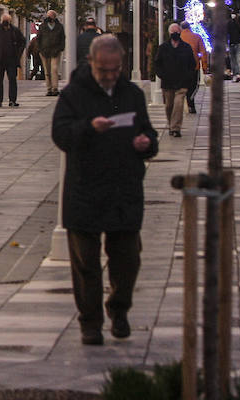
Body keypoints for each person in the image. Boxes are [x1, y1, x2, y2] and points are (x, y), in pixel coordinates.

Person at [52, 34, 158, 346]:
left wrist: (146, 143)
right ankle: (91, 323)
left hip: (124, 189)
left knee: (127, 260)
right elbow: (60, 135)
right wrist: (88, 128)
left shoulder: (132, 94)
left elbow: (147, 132)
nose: (110, 76)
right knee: (85, 264)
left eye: (115, 70)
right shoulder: (73, 94)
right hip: (84, 190)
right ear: (92, 64)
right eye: (103, 70)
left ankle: (119, 309)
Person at [153, 23, 198, 138]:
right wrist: (162, 75)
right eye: (173, 32)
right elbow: (157, 63)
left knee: (178, 104)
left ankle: (175, 128)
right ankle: (171, 124)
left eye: (177, 32)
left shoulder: (186, 47)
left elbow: (192, 64)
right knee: (169, 105)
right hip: (168, 82)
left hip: (182, 82)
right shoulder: (163, 48)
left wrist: (188, 76)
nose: (175, 34)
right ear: (169, 33)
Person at [0, 14, 25, 108]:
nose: (6, 22)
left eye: (7, 20)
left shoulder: (15, 30)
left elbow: (22, 41)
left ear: (10, 21)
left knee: (12, 79)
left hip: (12, 59)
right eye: (4, 20)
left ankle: (12, 100)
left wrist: (18, 54)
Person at [176, 24, 205, 115]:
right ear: (190, 27)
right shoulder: (197, 37)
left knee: (183, 86)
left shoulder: (178, 38)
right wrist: (204, 66)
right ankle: (190, 103)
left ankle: (185, 104)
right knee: (194, 86)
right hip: (194, 67)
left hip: (180, 68)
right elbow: (203, 52)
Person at [35, 10, 65, 96]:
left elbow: (62, 38)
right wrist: (40, 49)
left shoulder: (59, 27)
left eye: (51, 15)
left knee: (54, 69)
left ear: (54, 16)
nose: (49, 17)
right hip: (44, 51)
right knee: (47, 71)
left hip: (56, 51)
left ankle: (55, 88)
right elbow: (38, 38)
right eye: (48, 15)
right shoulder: (42, 26)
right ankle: (49, 88)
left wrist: (60, 48)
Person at [227, 13, 240, 81]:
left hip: (239, 43)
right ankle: (234, 73)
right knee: (232, 60)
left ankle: (237, 74)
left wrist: (236, 22)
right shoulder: (230, 22)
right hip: (232, 43)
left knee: (238, 59)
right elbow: (227, 31)